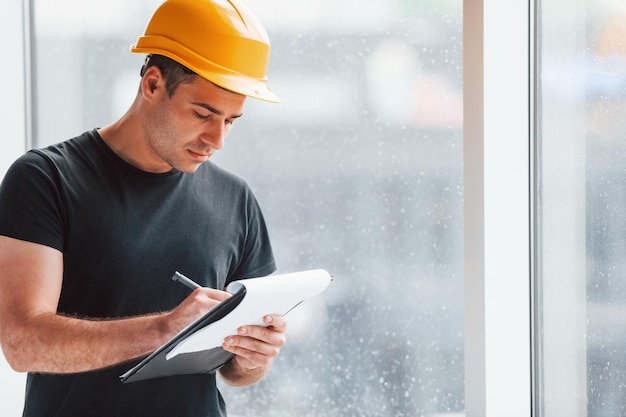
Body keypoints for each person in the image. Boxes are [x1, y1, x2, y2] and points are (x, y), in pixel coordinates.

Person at [0, 0, 286, 415]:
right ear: (153, 84)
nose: (217, 139)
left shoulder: (236, 200)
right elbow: (21, 342)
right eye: (203, 113)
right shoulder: (46, 179)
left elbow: (236, 373)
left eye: (230, 120)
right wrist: (163, 329)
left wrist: (253, 355)